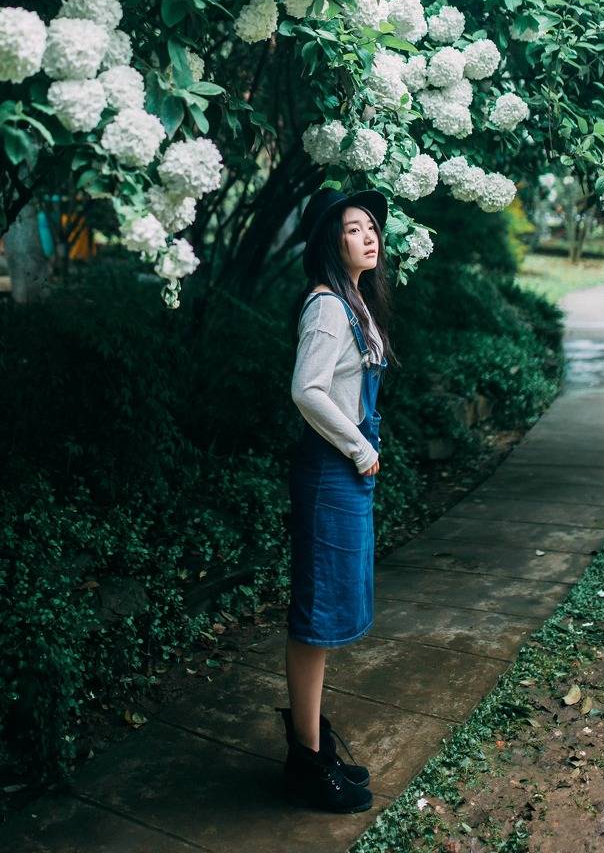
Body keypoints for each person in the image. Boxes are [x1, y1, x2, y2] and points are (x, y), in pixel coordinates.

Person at [275, 186, 398, 813]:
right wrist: (356, 447)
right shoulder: (327, 307)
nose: (369, 235)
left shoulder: (356, 302)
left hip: (346, 473)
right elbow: (308, 390)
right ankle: (304, 761)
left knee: (327, 613)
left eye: (371, 225)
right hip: (330, 473)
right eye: (354, 228)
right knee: (317, 616)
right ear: (331, 241)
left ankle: (313, 746)